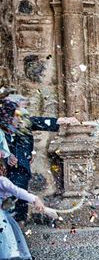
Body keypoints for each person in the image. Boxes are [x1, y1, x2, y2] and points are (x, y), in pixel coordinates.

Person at [4, 93, 79, 222]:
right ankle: (12, 221)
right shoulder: (6, 126)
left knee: (20, 194)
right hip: (11, 168)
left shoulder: (24, 123)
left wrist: (64, 120)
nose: (23, 109)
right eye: (21, 106)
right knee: (13, 195)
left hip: (22, 166)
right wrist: (7, 156)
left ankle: (18, 222)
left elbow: (41, 122)